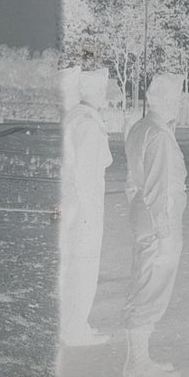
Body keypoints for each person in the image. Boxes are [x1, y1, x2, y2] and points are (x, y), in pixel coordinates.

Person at [121, 73, 188, 377]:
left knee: (143, 282)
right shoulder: (159, 135)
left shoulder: (141, 128)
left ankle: (139, 358)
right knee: (152, 287)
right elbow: (159, 188)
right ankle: (137, 364)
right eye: (177, 98)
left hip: (141, 215)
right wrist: (164, 234)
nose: (180, 103)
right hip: (158, 218)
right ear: (169, 100)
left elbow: (133, 182)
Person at [60, 67, 112, 347]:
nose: (105, 95)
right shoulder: (89, 125)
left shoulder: (75, 117)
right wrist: (87, 215)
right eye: (102, 90)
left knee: (72, 269)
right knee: (84, 269)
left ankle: (70, 325)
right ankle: (75, 329)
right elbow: (86, 177)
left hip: (72, 207)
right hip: (85, 211)